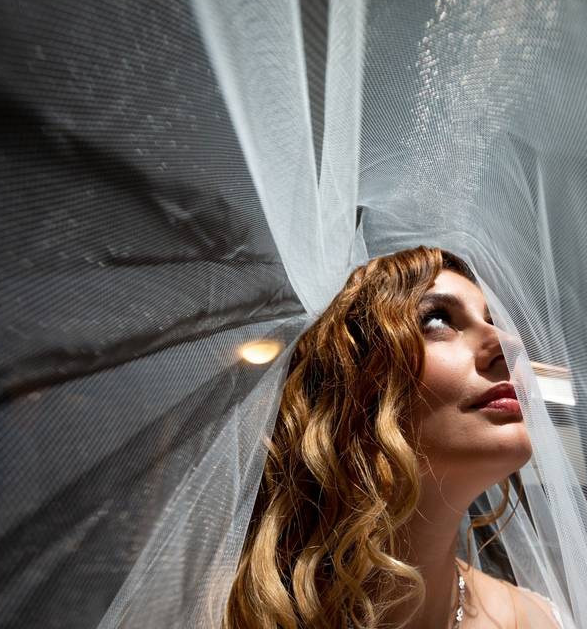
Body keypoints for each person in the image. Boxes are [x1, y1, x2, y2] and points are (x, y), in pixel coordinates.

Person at [224, 246, 565, 628]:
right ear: (351, 389)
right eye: (437, 320)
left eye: (492, 320)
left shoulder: (541, 619)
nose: (509, 343)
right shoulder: (232, 615)